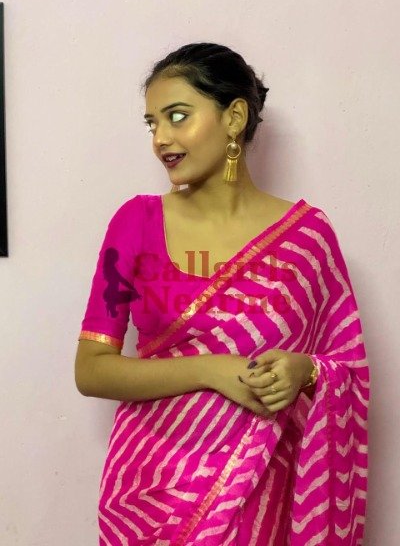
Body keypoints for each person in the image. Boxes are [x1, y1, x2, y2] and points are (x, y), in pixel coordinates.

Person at [74, 42, 369, 545]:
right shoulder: (135, 223)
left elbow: (348, 369)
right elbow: (91, 369)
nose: (161, 138)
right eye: (152, 123)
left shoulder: (307, 237)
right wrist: (212, 370)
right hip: (151, 489)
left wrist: (306, 371)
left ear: (234, 118)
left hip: (263, 487)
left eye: (178, 116)